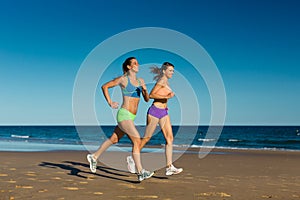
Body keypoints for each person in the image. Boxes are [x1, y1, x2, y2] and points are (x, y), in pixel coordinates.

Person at [87, 57, 154, 182]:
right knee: (137, 140)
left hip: (131, 117)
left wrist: (145, 90)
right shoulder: (123, 79)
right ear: (129, 67)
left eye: (137, 62)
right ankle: (140, 172)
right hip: (124, 114)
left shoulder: (141, 81)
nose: (137, 64)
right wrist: (110, 102)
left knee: (114, 139)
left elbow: (147, 99)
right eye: (134, 63)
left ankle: (94, 156)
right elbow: (104, 86)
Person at [126, 62, 183, 176]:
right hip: (155, 112)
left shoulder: (166, 81)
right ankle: (133, 158)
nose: (172, 73)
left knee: (169, 138)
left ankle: (169, 166)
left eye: (173, 71)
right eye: (170, 70)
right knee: (147, 138)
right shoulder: (161, 81)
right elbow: (151, 95)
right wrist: (167, 96)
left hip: (164, 112)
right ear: (164, 71)